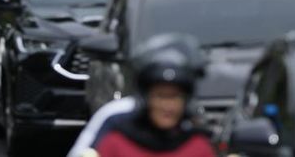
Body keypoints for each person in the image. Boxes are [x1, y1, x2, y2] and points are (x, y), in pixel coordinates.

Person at [73, 34, 212, 157]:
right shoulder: (116, 140)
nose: (167, 106)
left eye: (174, 96)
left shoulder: (198, 148)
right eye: (161, 96)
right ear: (145, 98)